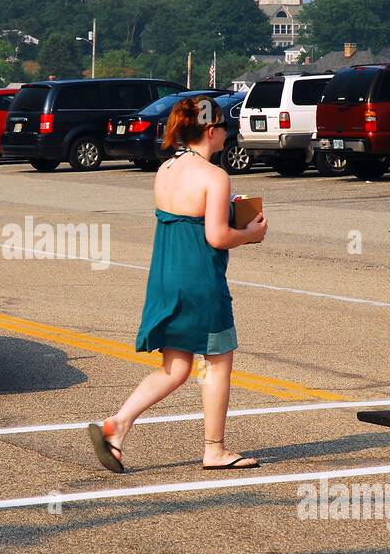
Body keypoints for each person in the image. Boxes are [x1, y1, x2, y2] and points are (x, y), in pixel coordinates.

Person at [87, 96, 267, 473]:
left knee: (176, 367)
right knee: (218, 363)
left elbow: (186, 215)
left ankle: (117, 425)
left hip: (166, 274)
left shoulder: (166, 168)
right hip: (200, 279)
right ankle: (214, 449)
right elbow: (217, 236)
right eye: (224, 129)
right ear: (212, 131)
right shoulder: (214, 176)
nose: (227, 135)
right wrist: (250, 233)